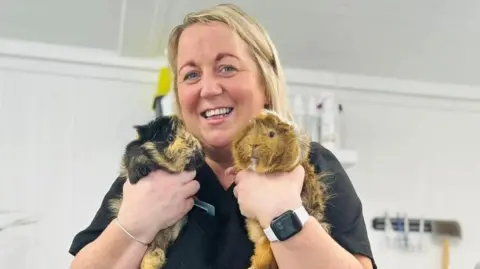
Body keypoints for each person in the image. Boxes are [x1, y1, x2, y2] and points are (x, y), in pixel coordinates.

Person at [69, 3, 376, 269]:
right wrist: (133, 225)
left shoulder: (312, 165)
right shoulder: (153, 170)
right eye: (191, 75)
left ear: (265, 86)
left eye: (227, 68)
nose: (209, 89)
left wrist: (282, 214)